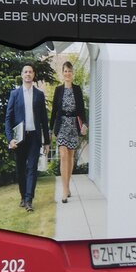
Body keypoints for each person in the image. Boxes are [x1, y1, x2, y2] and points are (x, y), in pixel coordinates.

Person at [4, 64, 50, 211]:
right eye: (25, 72)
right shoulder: (15, 94)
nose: (28, 74)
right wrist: (10, 139)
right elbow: (8, 118)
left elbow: (44, 120)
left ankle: (29, 200)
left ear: (33, 75)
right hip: (20, 139)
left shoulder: (39, 95)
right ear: (22, 75)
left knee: (32, 168)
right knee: (21, 169)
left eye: (30, 72)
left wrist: (47, 142)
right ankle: (23, 197)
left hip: (34, 138)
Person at [51, 61, 88, 203]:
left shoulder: (77, 89)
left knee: (71, 156)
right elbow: (54, 111)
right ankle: (64, 190)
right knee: (63, 155)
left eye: (69, 71)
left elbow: (81, 109)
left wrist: (84, 124)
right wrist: (51, 129)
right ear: (62, 73)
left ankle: (67, 186)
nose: (67, 73)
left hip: (73, 125)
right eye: (65, 71)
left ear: (73, 73)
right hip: (61, 125)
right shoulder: (58, 90)